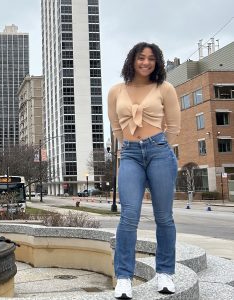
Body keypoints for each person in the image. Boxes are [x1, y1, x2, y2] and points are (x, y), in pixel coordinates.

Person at [107, 42, 181, 299]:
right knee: (129, 215)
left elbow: (173, 125)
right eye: (141, 58)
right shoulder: (116, 91)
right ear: (133, 60)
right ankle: (124, 278)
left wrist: (158, 147)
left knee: (164, 216)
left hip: (159, 151)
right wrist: (130, 145)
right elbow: (116, 126)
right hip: (130, 155)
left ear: (157, 62)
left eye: (151, 58)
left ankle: (165, 273)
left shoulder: (165, 88)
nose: (146, 62)